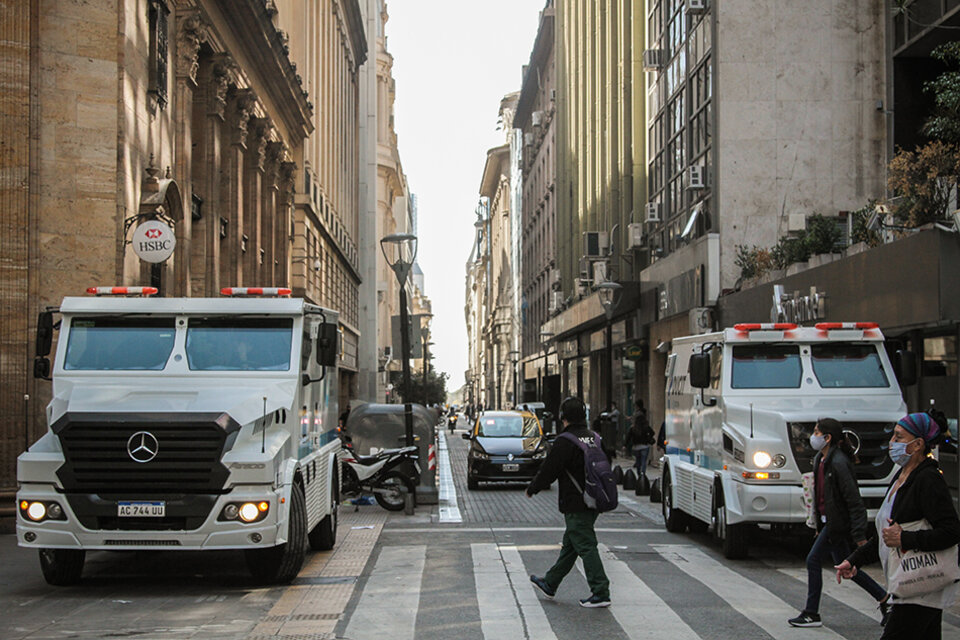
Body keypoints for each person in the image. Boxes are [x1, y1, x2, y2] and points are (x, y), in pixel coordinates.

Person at [836, 413, 960, 639]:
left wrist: (906, 539)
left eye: (899, 437)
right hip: (908, 584)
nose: (892, 442)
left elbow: (951, 531)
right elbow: (887, 534)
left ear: (918, 444)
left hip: (919, 585)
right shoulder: (901, 477)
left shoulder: (928, 478)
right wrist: (855, 560)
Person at [788, 418, 888, 628]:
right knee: (847, 566)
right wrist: (818, 526)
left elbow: (854, 500)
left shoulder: (839, 462)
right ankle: (884, 599)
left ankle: (811, 612)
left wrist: (859, 534)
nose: (812, 437)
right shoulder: (820, 460)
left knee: (813, 560)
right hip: (828, 523)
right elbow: (820, 497)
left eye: (816, 432)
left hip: (837, 524)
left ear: (828, 437)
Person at [526, 396, 611, 608]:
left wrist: (533, 488)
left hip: (576, 502)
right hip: (594, 499)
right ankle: (550, 582)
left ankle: (600, 591)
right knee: (571, 545)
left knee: (585, 545)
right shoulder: (594, 437)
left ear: (564, 418)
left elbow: (549, 469)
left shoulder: (566, 441)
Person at [623, 399, 655, 479]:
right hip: (645, 446)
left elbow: (628, 437)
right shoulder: (646, 427)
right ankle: (642, 474)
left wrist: (625, 445)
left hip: (636, 447)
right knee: (643, 461)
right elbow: (652, 432)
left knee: (638, 461)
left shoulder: (633, 428)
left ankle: (639, 474)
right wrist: (648, 438)